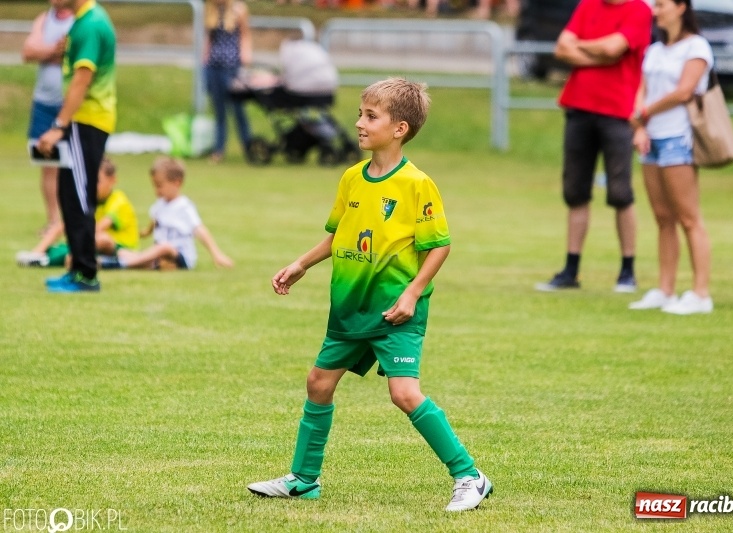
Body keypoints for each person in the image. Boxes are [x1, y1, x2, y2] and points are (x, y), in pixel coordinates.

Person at [246, 78, 493, 512]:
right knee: (319, 383)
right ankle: (304, 480)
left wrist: (413, 294)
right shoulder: (351, 178)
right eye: (360, 114)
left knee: (404, 394)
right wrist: (302, 263)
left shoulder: (417, 184)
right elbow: (337, 235)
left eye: (370, 116)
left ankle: (470, 476)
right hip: (349, 307)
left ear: (399, 128)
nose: (359, 123)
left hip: (396, 308)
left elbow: (439, 245)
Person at [535, 0, 652, 293]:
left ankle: (627, 271)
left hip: (618, 113)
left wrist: (582, 47)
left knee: (621, 192)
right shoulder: (588, 5)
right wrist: (598, 56)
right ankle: (570, 270)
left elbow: (615, 48)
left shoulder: (639, 10)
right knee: (575, 192)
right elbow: (562, 48)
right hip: (578, 108)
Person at [627, 0, 714, 315]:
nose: (655, 10)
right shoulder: (655, 50)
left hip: (679, 138)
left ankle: (701, 293)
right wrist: (640, 125)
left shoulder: (697, 47)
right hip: (652, 139)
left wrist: (644, 113)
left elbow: (684, 91)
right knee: (663, 218)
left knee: (689, 218)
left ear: (680, 8)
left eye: (661, 4)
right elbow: (643, 88)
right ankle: (665, 289)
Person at [36, 0, 116, 293]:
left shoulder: (92, 23)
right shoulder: (81, 22)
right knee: (68, 194)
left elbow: (82, 80)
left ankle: (86, 275)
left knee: (80, 196)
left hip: (88, 120)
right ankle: (76, 269)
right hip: (80, 121)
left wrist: (59, 126)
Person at [112, 156, 234, 270]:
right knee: (123, 251)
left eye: (159, 186)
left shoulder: (184, 207)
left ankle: (122, 264)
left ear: (177, 183)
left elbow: (200, 230)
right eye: (154, 186)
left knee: (164, 248)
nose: (156, 191)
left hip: (180, 255)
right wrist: (145, 232)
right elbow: (154, 222)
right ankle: (143, 263)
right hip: (160, 252)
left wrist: (216, 254)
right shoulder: (159, 205)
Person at [16, 157, 139, 268]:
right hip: (92, 244)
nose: (91, 186)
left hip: (119, 248)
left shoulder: (119, 200)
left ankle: (56, 259)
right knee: (69, 220)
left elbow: (99, 228)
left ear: (112, 180)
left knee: (100, 239)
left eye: (97, 181)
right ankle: (38, 252)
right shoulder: (91, 199)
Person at [22, 0, 74, 234]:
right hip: (44, 103)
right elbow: (28, 51)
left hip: (71, 104)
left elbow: (75, 57)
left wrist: (47, 52)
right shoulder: (44, 19)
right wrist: (54, 51)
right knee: (48, 164)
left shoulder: (80, 21)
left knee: (75, 164)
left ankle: (74, 217)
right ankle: (54, 221)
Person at [204, 0, 253, 163]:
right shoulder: (212, 10)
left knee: (238, 110)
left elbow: (245, 35)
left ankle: (248, 147)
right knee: (219, 112)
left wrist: (246, 59)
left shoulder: (239, 10)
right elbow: (209, 40)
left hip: (232, 67)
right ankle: (218, 150)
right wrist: (205, 61)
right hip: (214, 66)